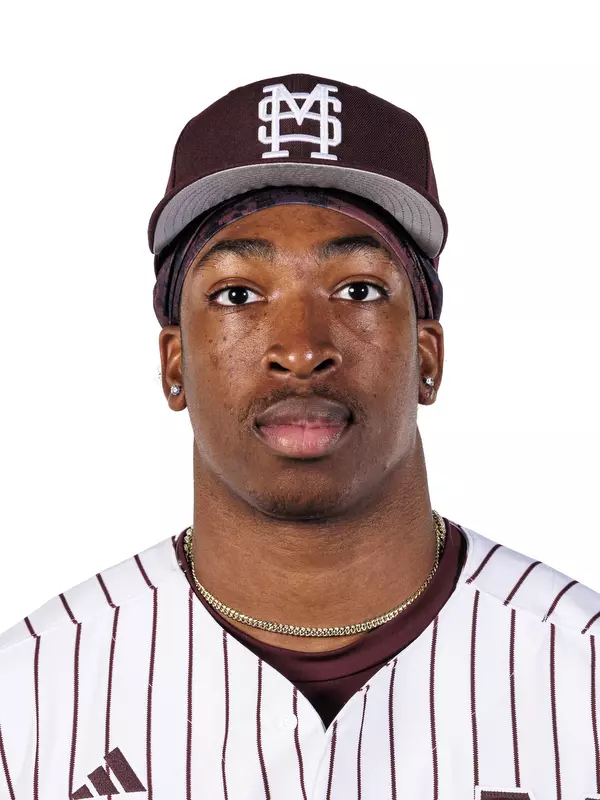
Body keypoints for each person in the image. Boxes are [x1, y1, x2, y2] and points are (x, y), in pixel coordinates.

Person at [1, 73, 599, 800]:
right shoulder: (28, 696)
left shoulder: (582, 674)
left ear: (429, 357)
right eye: (238, 295)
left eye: (358, 290)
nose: (301, 348)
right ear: (174, 365)